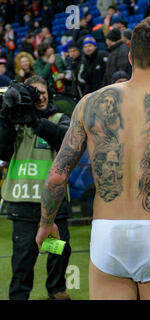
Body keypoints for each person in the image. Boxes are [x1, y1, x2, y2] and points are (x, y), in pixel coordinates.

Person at [35, 16, 150, 300]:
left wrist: (46, 223)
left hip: (108, 232)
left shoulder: (89, 103)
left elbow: (57, 175)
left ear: (130, 56)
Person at [0, 75, 72, 300]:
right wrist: (5, 117)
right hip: (23, 202)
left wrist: (35, 121)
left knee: (57, 252)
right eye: (34, 92)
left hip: (53, 202)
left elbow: (63, 140)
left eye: (43, 91)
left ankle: (56, 290)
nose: (40, 96)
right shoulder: (14, 122)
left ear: (49, 93)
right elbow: (2, 151)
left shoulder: (61, 117)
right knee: (23, 257)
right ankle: (18, 296)